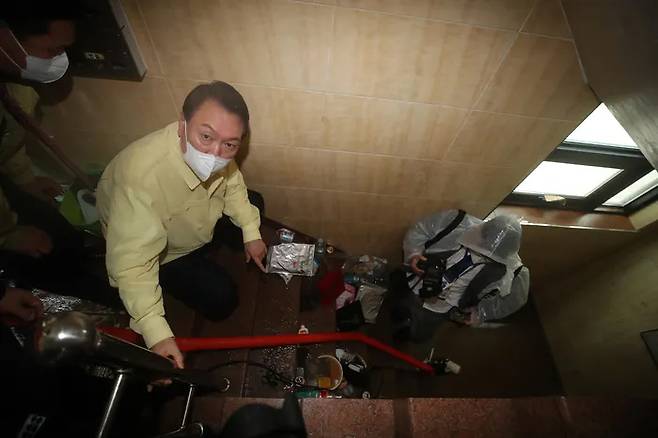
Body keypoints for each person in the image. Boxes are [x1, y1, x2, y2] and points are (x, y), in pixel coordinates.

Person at [97, 81, 268, 368]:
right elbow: (133, 266)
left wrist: (251, 233)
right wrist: (157, 334)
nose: (215, 154)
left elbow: (234, 186)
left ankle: (214, 246)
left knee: (255, 202)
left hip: (197, 222)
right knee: (222, 300)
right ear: (181, 126)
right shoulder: (140, 181)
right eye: (205, 137)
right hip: (166, 252)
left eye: (229, 144)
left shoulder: (220, 155)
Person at [0, 4, 121, 308]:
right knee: (43, 252)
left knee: (62, 234)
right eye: (51, 49)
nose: (58, 60)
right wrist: (8, 234)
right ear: (5, 36)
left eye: (63, 49)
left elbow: (9, 137)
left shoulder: (13, 85)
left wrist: (24, 180)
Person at [391, 209, 530, 341]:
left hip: (444, 305)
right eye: (483, 247)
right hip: (418, 280)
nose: (485, 253)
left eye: (492, 256)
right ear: (482, 232)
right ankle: (399, 317)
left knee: (420, 330)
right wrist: (414, 254)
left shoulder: (515, 272)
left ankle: (409, 334)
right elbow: (420, 230)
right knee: (401, 302)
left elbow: (512, 300)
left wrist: (480, 313)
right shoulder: (457, 223)